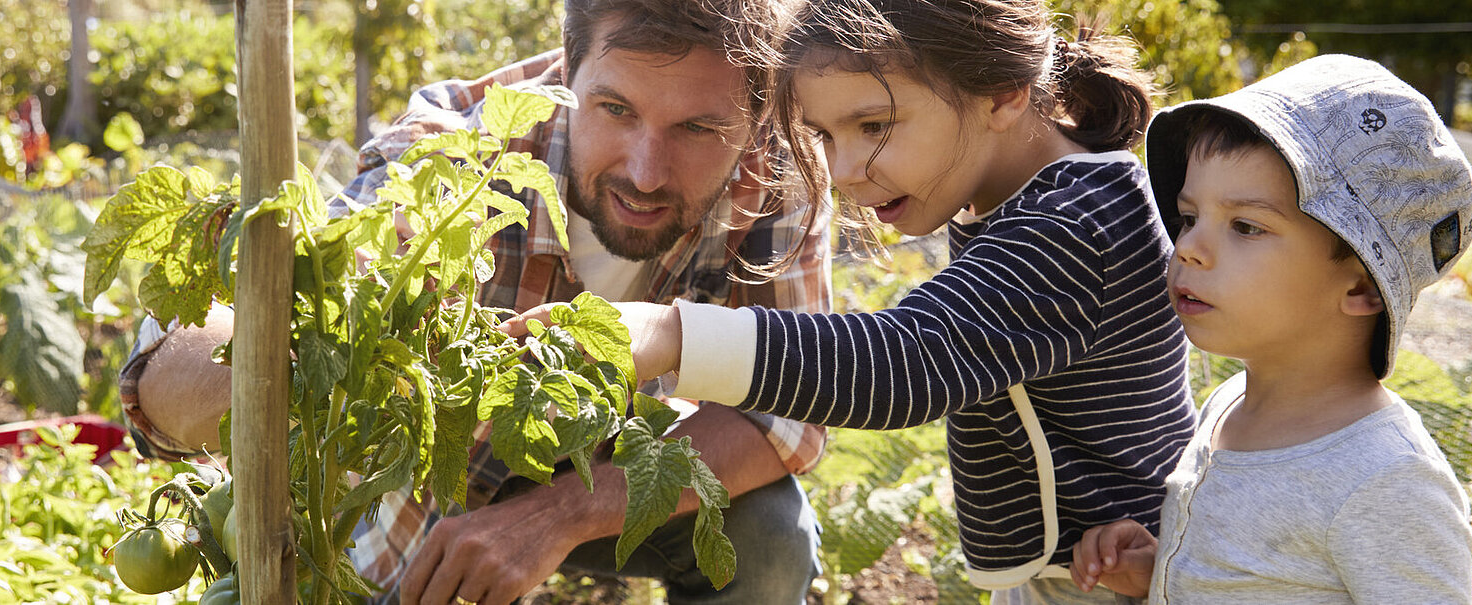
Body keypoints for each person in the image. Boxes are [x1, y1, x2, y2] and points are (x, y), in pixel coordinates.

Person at [116, 1, 835, 603]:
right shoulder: (463, 149)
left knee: (767, 531)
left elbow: (792, 412)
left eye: (698, 129)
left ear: (756, 112)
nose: (646, 171)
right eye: (615, 108)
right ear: (567, 68)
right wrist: (323, 341)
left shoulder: (780, 178)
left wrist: (559, 513)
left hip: (592, 462)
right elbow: (176, 367)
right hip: (415, 483)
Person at [512, 1, 1197, 602]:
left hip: (1135, 572)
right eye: (826, 135)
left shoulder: (1075, 227)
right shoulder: (1026, 201)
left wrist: (673, 336)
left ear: (1002, 92)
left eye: (874, 126)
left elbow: (907, 360)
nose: (843, 172)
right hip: (1095, 565)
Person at [1067, 54, 1472, 603]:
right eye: (1190, 218)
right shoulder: (1229, 404)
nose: (1187, 247)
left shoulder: (1386, 480)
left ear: (1362, 287)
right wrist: (1163, 568)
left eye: (1245, 226)